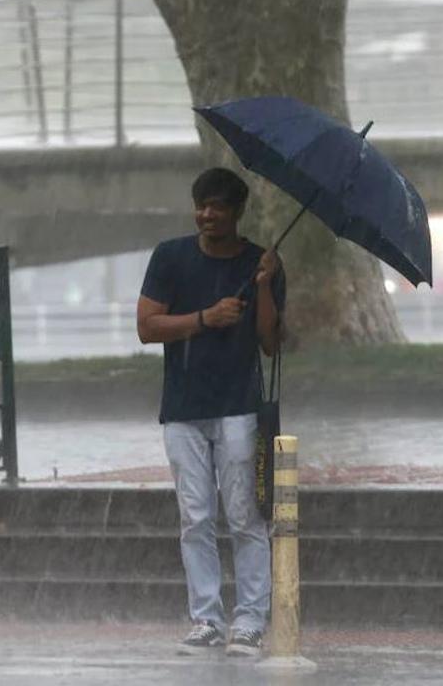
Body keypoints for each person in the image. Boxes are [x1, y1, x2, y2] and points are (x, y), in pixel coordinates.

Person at [136, 167, 285, 657]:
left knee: (245, 516)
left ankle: (249, 619)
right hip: (182, 408)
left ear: (238, 211)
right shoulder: (170, 257)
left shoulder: (260, 262)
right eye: (201, 204)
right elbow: (147, 326)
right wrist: (205, 318)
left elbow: (270, 343)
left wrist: (264, 285)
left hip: (238, 407)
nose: (206, 214)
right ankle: (206, 619)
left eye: (218, 206)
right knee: (195, 516)